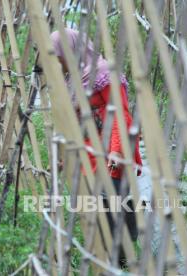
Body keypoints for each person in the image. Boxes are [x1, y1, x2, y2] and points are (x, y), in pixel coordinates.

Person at [50, 28, 143, 261]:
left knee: (113, 205)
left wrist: (115, 151)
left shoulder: (103, 74)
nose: (55, 61)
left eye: (57, 55)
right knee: (98, 207)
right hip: (88, 152)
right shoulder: (73, 78)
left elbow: (120, 115)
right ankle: (107, 256)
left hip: (110, 148)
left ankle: (122, 258)